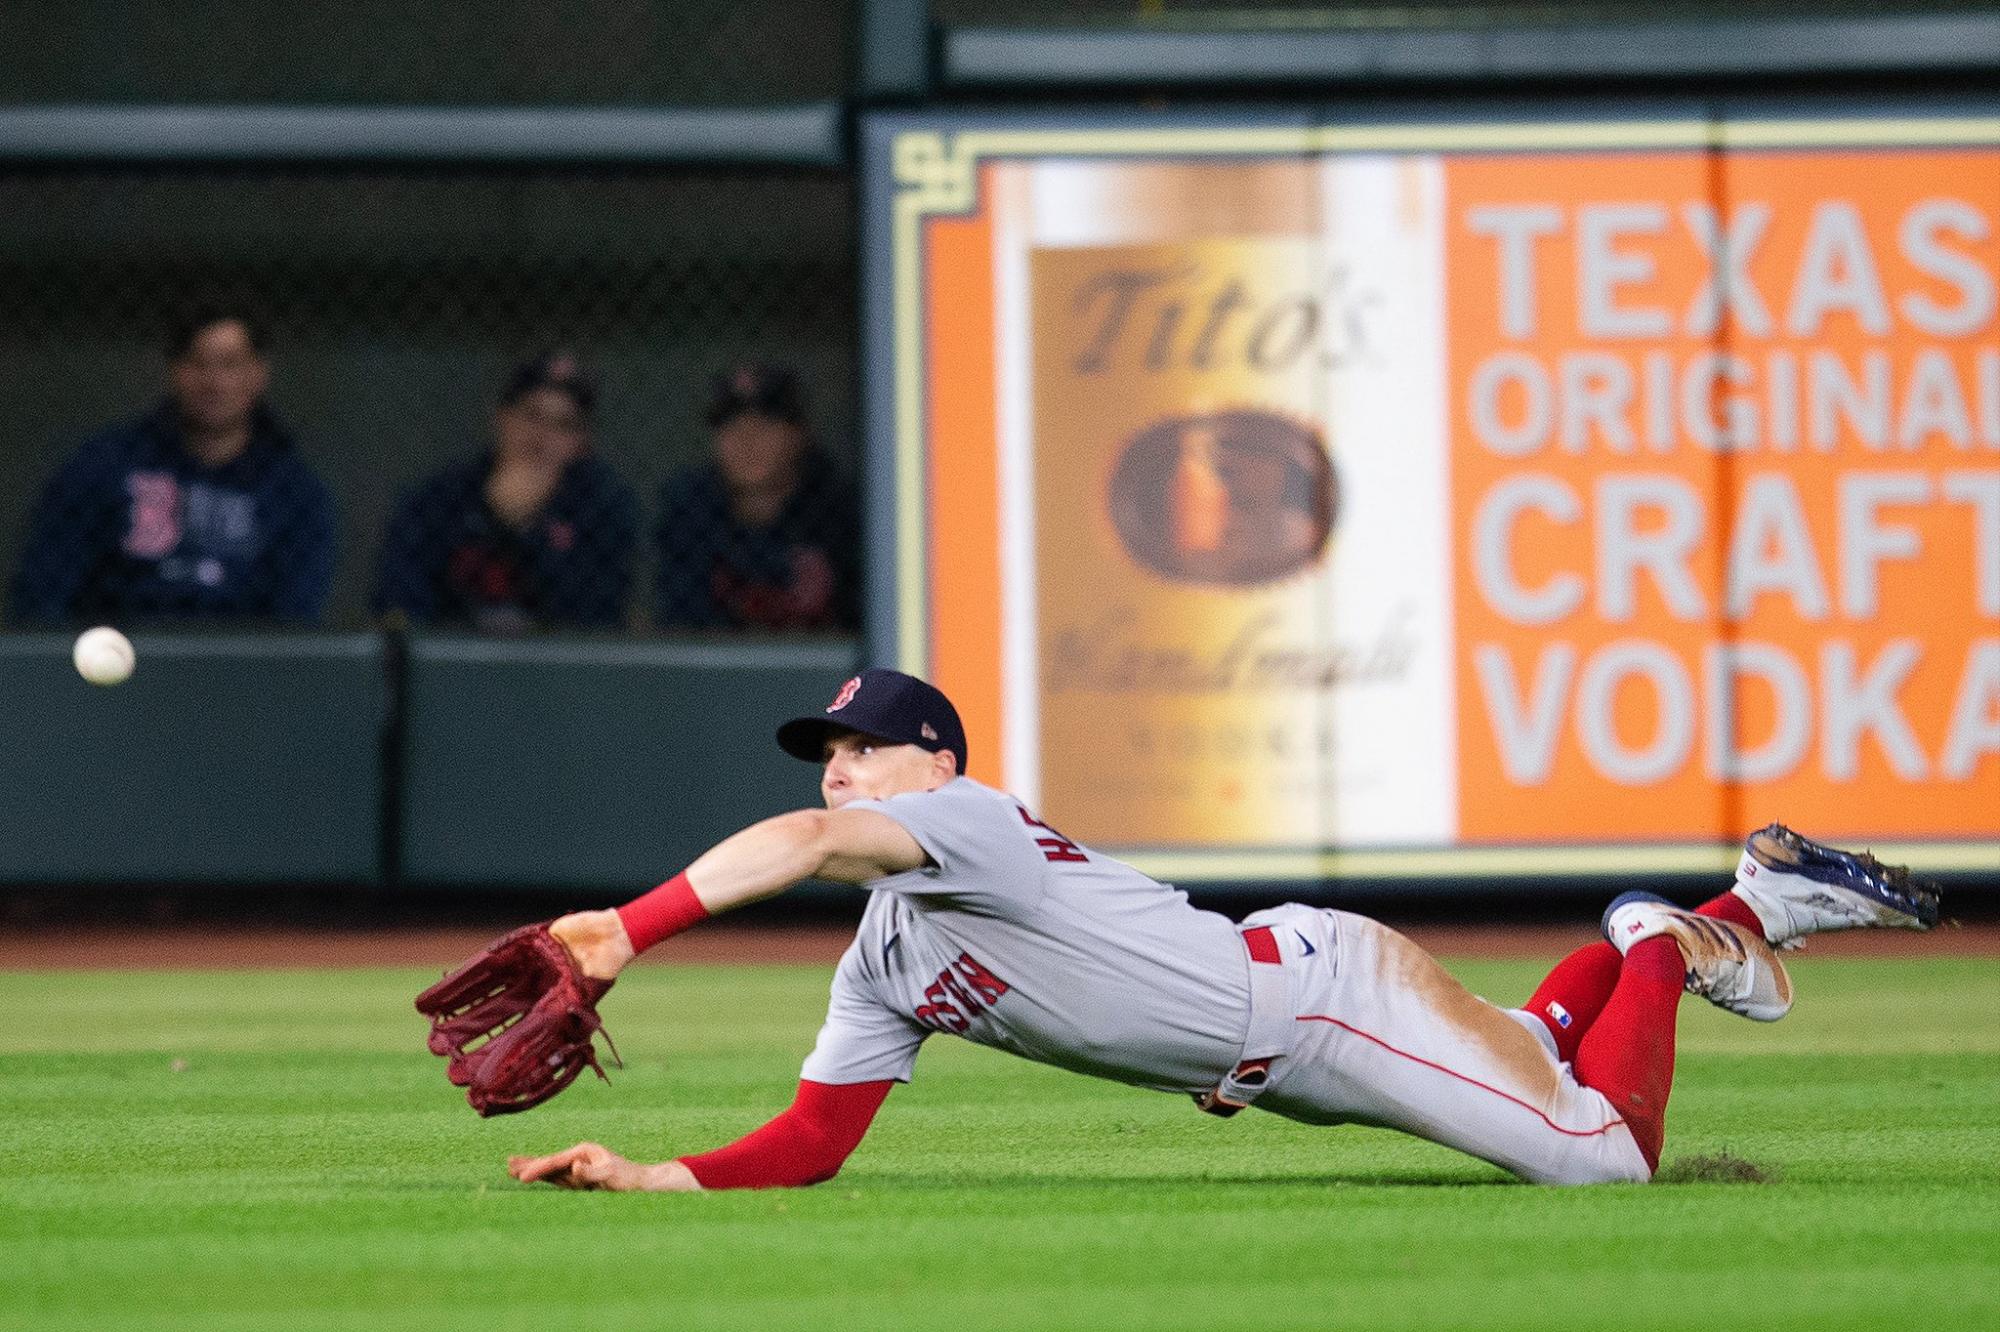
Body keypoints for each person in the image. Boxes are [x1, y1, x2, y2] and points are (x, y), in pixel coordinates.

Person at [504, 668, 1942, 1193]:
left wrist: (631, 929)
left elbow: (808, 845)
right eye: (826, 750)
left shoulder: (974, 820)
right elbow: (814, 1143)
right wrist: (654, 1178)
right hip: (1296, 1035)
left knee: (1603, 1158)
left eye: (866, 749)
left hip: (1321, 1010)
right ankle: (1746, 907)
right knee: (1528, 1053)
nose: (837, 771)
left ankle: (1663, 937)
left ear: (935, 766)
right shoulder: (887, 954)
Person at [9, 309, 336, 625]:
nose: (214, 382)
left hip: (238, 672)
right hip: (118, 656)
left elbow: (296, 617)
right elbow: (42, 588)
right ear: (175, 370)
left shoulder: (293, 491)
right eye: (198, 363)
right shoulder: (106, 465)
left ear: (258, 373)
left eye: (230, 365)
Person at [374, 352, 638, 633]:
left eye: (563, 425)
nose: (542, 437)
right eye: (532, 415)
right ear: (502, 418)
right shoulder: (439, 498)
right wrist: (495, 516)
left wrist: (525, 529)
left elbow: (593, 622)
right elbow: (399, 604)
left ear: (582, 443)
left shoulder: (603, 509)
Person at [653, 362, 859, 632]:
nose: (747, 441)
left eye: (765, 425)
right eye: (732, 426)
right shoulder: (688, 510)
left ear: (798, 435)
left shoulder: (840, 512)